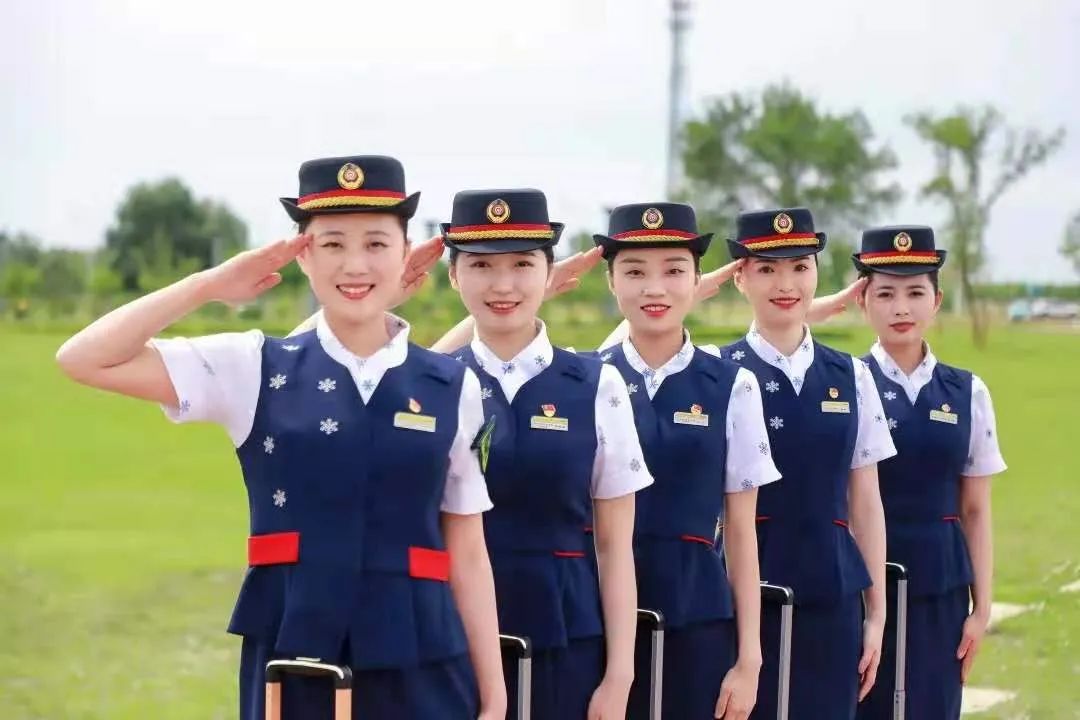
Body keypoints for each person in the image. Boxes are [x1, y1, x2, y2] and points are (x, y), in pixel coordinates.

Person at [55, 155, 506, 720]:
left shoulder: (452, 384)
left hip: (424, 660)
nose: (355, 264)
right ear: (302, 254)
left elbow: (468, 552)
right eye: (332, 244)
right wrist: (209, 285)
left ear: (404, 252)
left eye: (376, 243)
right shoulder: (254, 365)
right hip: (295, 658)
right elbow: (84, 358)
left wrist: (495, 695)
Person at [437, 188, 650, 719]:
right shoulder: (432, 385)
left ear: (549, 274)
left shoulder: (597, 384)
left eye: (522, 264)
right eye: (481, 265)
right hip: (446, 635)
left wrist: (620, 676)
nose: (503, 284)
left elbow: (615, 546)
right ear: (453, 275)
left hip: (566, 635)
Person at [590, 202, 779, 719]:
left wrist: (749, 659)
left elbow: (741, 531)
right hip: (596, 618)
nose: (655, 289)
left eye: (674, 271)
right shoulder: (583, 380)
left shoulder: (732, 385)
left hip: (698, 615)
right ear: (611, 281)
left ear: (698, 281)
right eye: (634, 272)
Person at [718, 208, 896, 720]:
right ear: (740, 278)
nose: (786, 284)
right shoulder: (713, 371)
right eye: (766, 269)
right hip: (737, 598)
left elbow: (866, 501)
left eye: (800, 267)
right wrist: (695, 288)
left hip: (832, 592)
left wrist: (877, 612)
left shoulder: (851, 375)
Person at [852, 226, 1006, 720]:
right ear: (862, 301)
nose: (901, 308)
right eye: (885, 294)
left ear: (936, 301)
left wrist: (981, 609)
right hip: (859, 587)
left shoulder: (968, 392)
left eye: (916, 293)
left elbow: (976, 509)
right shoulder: (842, 384)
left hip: (941, 588)